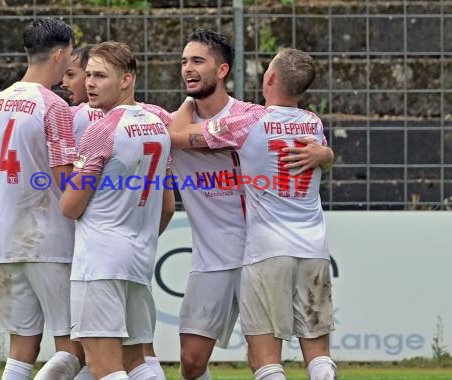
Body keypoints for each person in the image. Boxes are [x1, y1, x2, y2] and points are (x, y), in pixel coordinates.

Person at [170, 30, 334, 380]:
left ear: (224, 69)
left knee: (263, 355)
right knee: (192, 361)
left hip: (263, 249)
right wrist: (327, 154)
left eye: (197, 60)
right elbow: (315, 147)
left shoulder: (246, 120)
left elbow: (176, 136)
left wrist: (185, 104)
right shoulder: (312, 122)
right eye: (184, 61)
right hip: (291, 248)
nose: (188, 68)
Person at [0, 17, 85, 380]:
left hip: (9, 238)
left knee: (21, 349)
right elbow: (63, 176)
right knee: (75, 348)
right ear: (59, 55)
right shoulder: (52, 105)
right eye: (71, 53)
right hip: (51, 240)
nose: (72, 61)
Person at [60, 41, 172, 380]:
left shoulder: (102, 128)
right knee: (137, 361)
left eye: (101, 76)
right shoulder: (158, 125)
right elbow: (167, 206)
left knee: (104, 365)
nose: (90, 83)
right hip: (138, 257)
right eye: (89, 75)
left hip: (100, 259)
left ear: (126, 80)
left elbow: (70, 206)